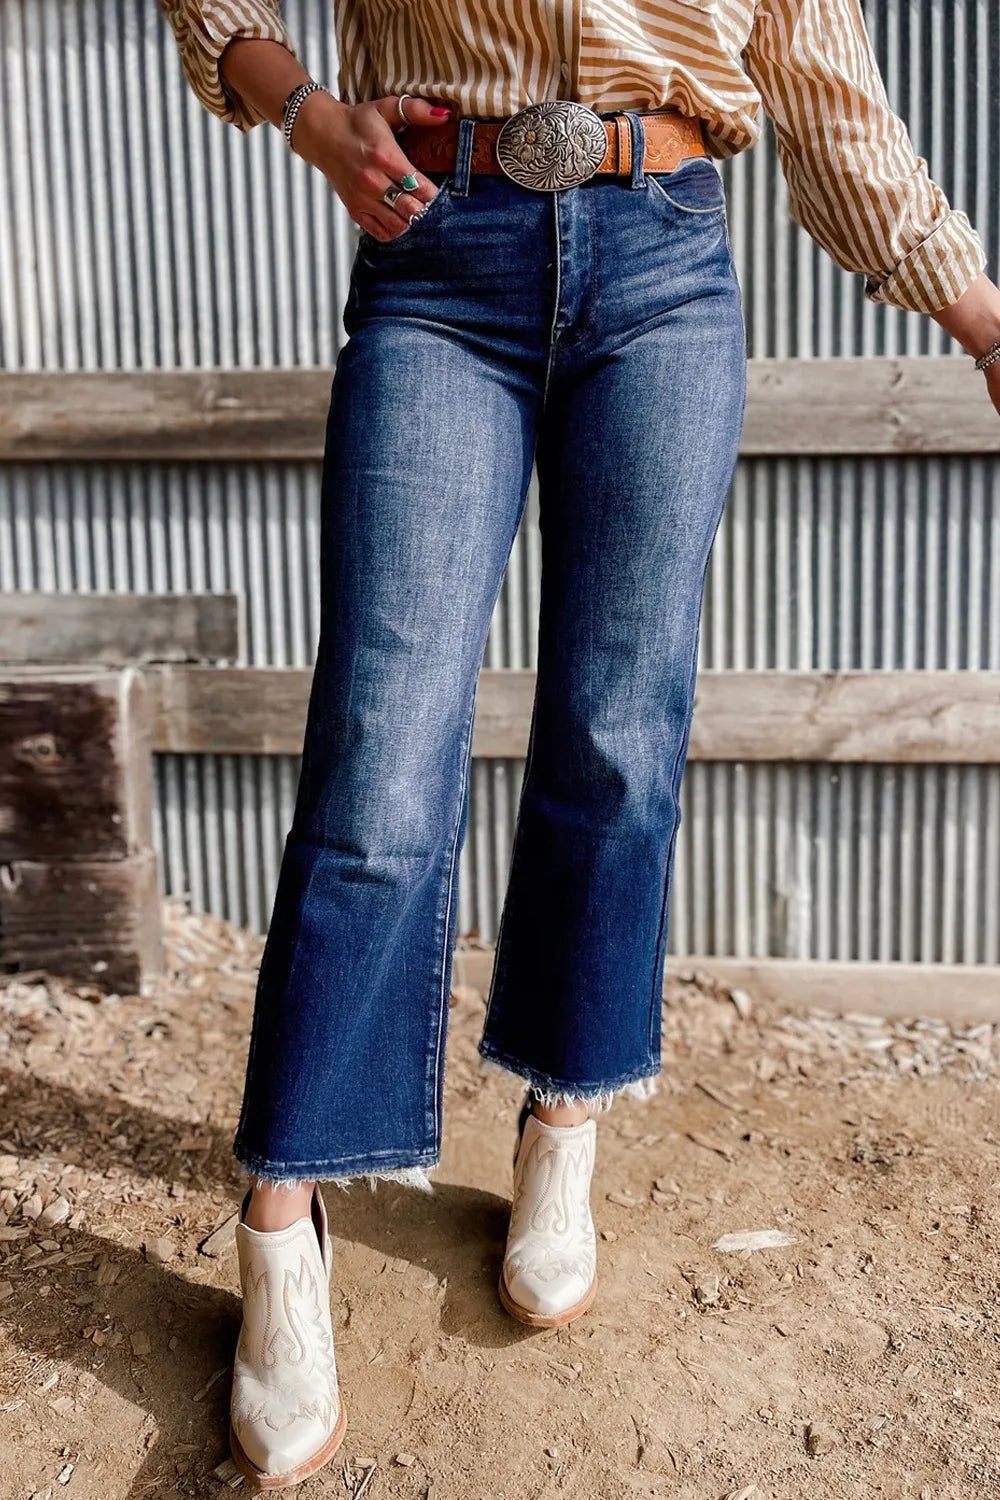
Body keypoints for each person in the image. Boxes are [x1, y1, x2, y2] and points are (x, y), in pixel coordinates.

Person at [161, 0, 1000, 1487]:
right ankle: (281, 1218)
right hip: (437, 249)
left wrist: (978, 307)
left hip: (665, 255)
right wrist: (297, 107)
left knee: (620, 729)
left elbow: (818, 76)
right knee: (379, 749)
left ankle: (565, 1109)